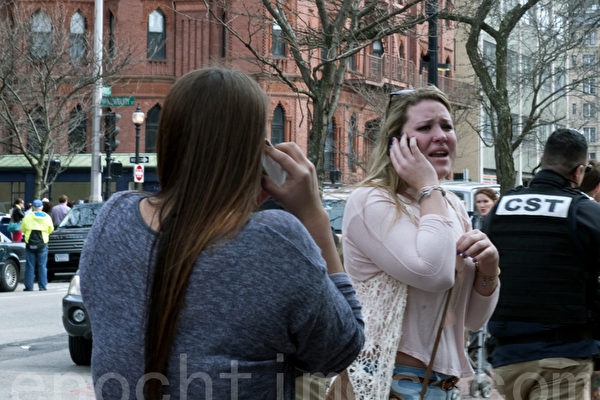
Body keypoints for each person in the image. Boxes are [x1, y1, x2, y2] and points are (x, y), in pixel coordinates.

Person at [79, 68, 364, 400]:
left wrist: (239, 206)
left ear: (168, 141)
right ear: (257, 154)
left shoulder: (113, 218)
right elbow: (342, 349)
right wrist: (314, 216)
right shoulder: (276, 240)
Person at [340, 86, 500, 399]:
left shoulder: (449, 205)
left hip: (443, 384)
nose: (440, 136)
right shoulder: (370, 200)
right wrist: (428, 185)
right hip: (387, 380)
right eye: (425, 127)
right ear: (396, 143)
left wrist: (489, 270)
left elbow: (473, 319)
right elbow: (434, 273)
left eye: (447, 126)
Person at [483, 128, 600, 400]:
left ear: (541, 159)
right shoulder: (584, 211)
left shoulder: (500, 209)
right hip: (561, 359)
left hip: (506, 360)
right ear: (578, 172)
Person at [20, 199, 54, 291]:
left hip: (30, 243)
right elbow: (51, 229)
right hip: (42, 243)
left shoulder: (28, 217)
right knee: (42, 265)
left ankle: (29, 286)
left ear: (33, 207)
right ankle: (42, 286)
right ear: (42, 207)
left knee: (30, 266)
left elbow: (22, 229)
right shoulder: (47, 217)